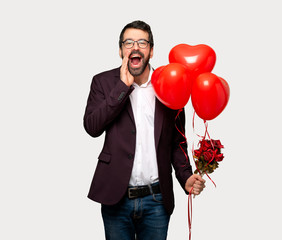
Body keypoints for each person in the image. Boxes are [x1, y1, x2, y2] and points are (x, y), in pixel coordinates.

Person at [83, 20, 205, 240]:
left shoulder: (172, 83)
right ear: (120, 50)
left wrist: (185, 177)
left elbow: (177, 141)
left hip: (156, 200)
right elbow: (92, 127)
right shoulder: (102, 82)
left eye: (142, 42)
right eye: (128, 42)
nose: (135, 47)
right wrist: (122, 87)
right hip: (116, 198)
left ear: (151, 50)